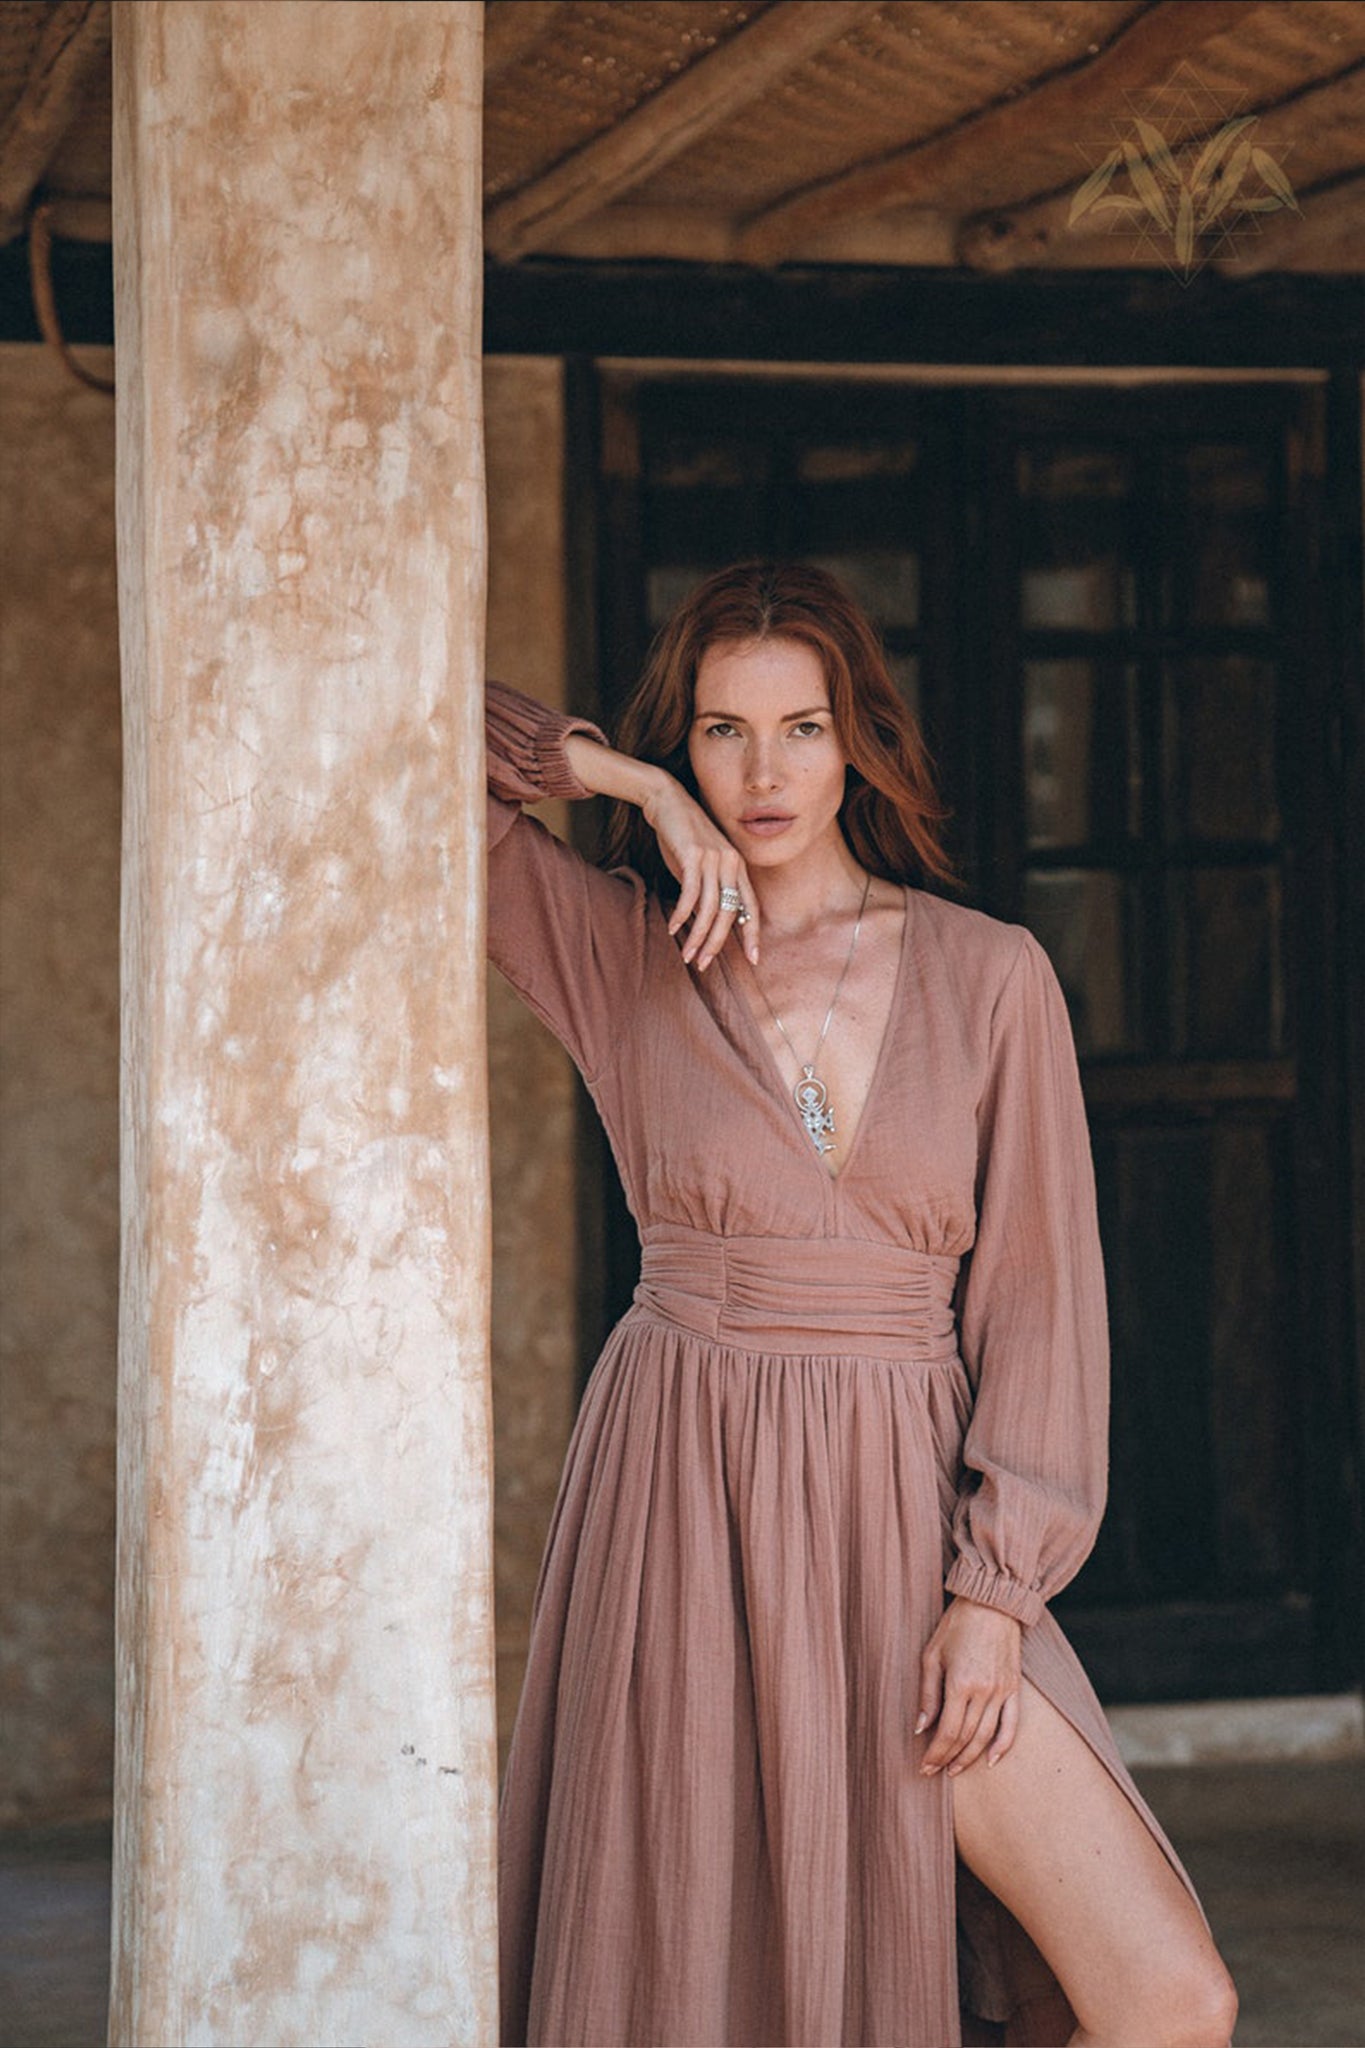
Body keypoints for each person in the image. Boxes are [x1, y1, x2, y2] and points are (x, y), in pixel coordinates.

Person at [485, 561, 1237, 2048]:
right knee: (701, 1979)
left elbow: (1039, 1304)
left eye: (803, 728)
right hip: (687, 1504)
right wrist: (629, 786)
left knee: (1168, 1995)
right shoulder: (619, 951)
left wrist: (993, 1598)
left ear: (859, 743)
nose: (763, 773)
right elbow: (389, 734)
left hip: (917, 1531)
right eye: (721, 733)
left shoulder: (991, 976)